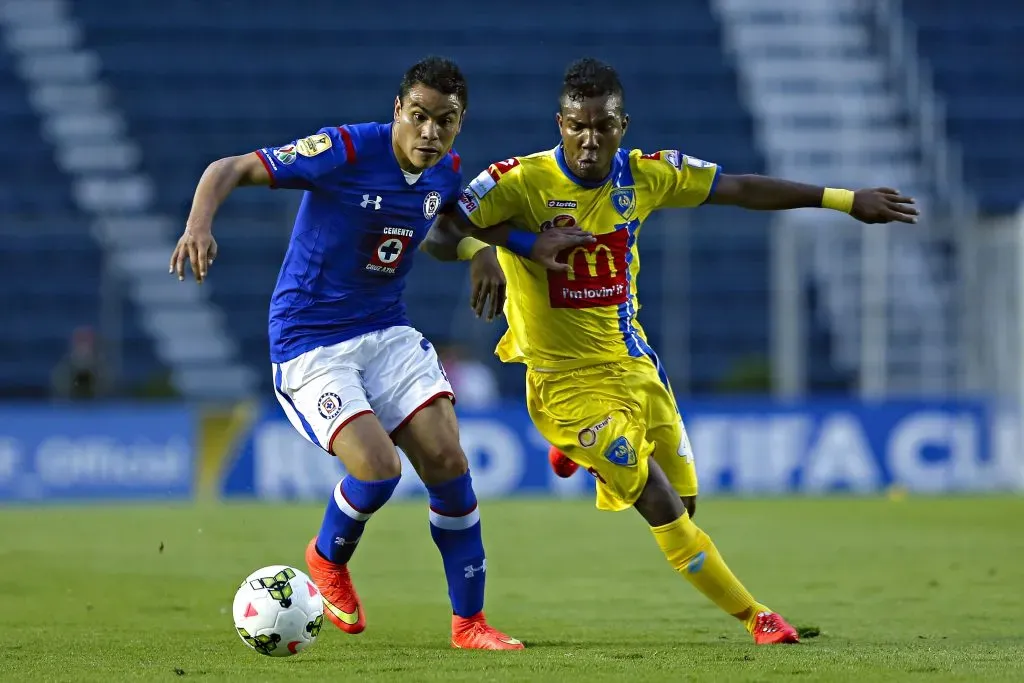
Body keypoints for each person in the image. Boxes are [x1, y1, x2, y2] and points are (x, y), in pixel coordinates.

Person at [422, 57, 918, 645]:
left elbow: (738, 187)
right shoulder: (519, 181)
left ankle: (584, 461)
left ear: (622, 126)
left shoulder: (647, 175)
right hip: (563, 382)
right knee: (661, 504)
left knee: (685, 500)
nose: (589, 140)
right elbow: (440, 230)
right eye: (577, 126)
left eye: (602, 126)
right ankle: (756, 617)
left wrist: (843, 198)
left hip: (633, 365)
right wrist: (495, 250)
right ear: (560, 124)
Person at [170, 56, 585, 650]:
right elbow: (228, 166)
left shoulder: (446, 172)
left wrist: (495, 248)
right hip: (311, 341)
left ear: (459, 124)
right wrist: (199, 225)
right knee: (380, 468)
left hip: (386, 332)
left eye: (445, 121)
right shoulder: (344, 150)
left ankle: (470, 624)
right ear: (397, 111)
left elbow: (443, 228)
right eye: (418, 117)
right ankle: (326, 555)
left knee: (448, 461)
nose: (429, 133)